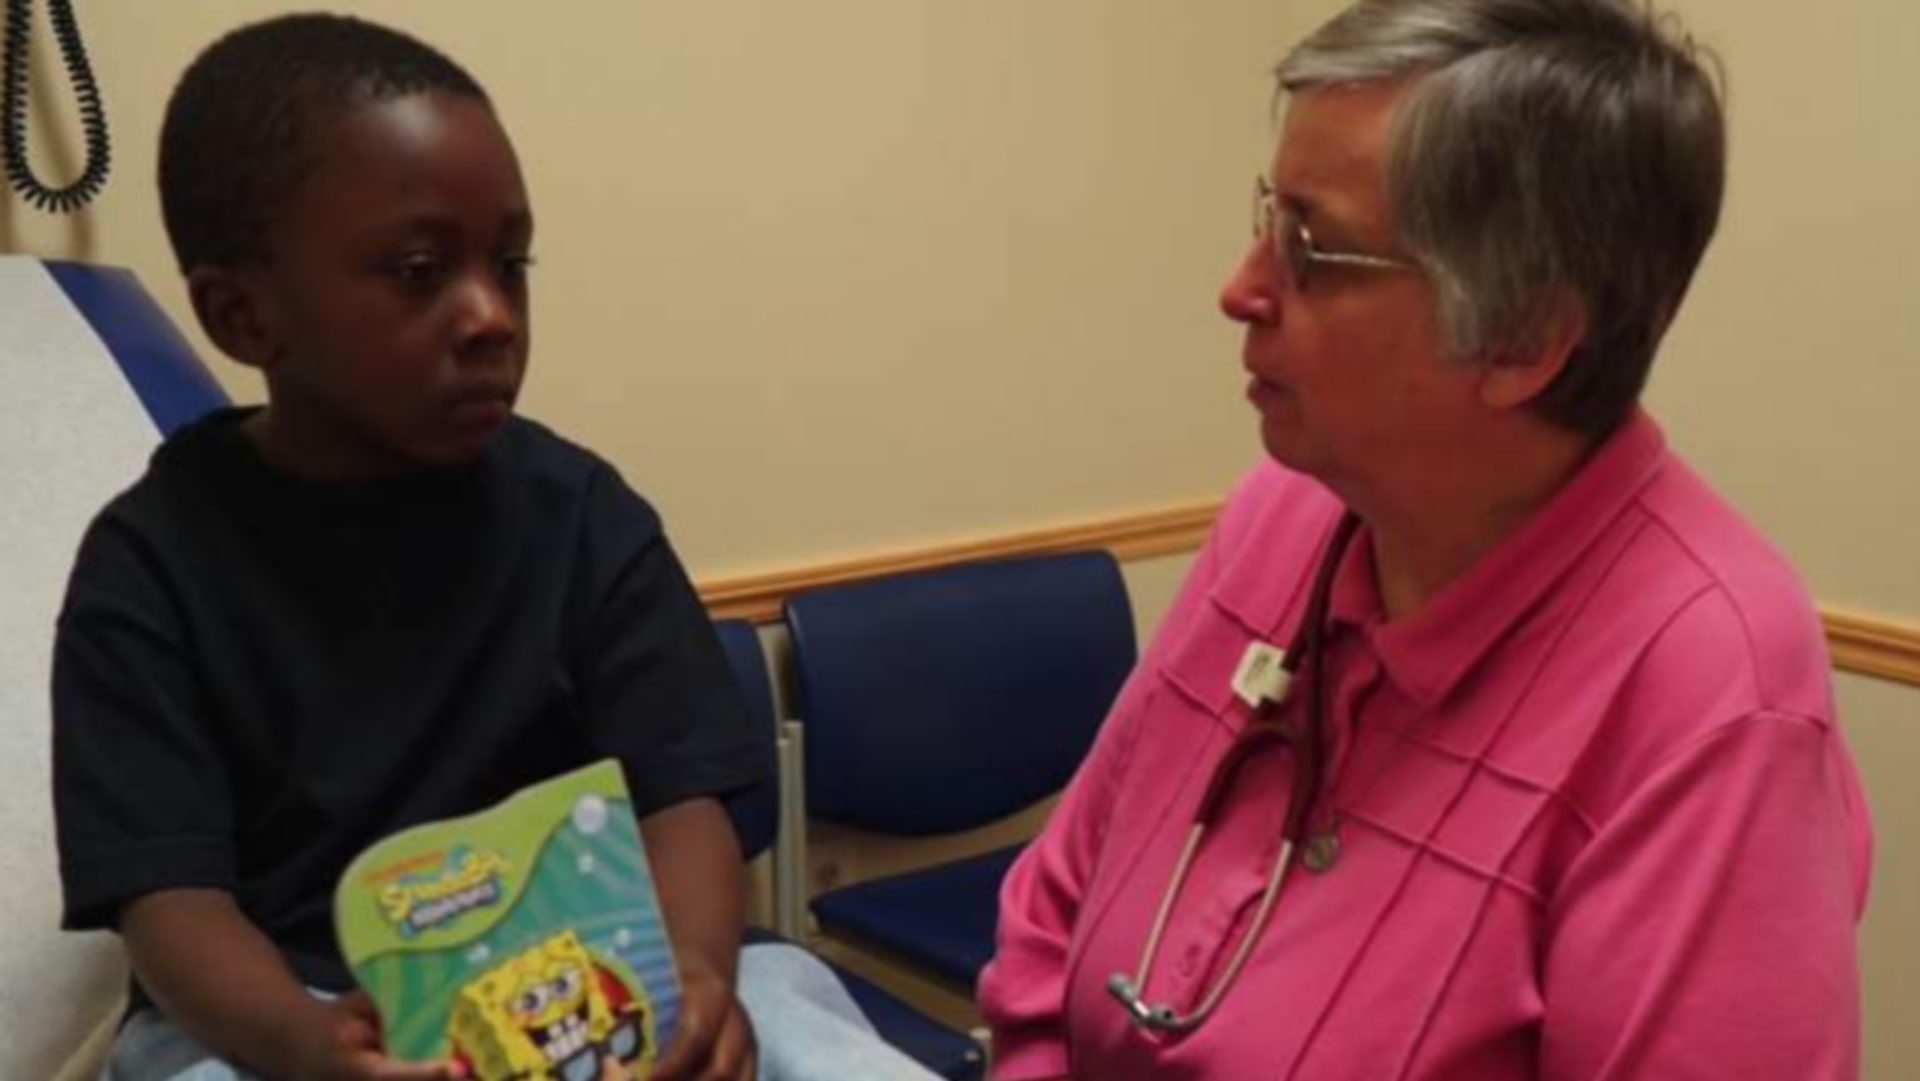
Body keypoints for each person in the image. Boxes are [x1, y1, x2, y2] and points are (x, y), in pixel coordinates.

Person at [979, 1, 1872, 1078]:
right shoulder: (1284, 511)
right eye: (1266, 214)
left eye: (1310, 247)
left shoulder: (1714, 689)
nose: (1241, 288)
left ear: (1525, 337)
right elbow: (1054, 914)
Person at [50, 14, 823, 1081]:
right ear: (244, 318)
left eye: (511, 264)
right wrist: (302, 1043)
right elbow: (166, 899)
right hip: (300, 1007)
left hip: (601, 962)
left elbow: (683, 797)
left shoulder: (582, 516)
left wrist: (692, 973)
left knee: (795, 1019)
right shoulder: (149, 571)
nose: (492, 315)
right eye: (420, 271)